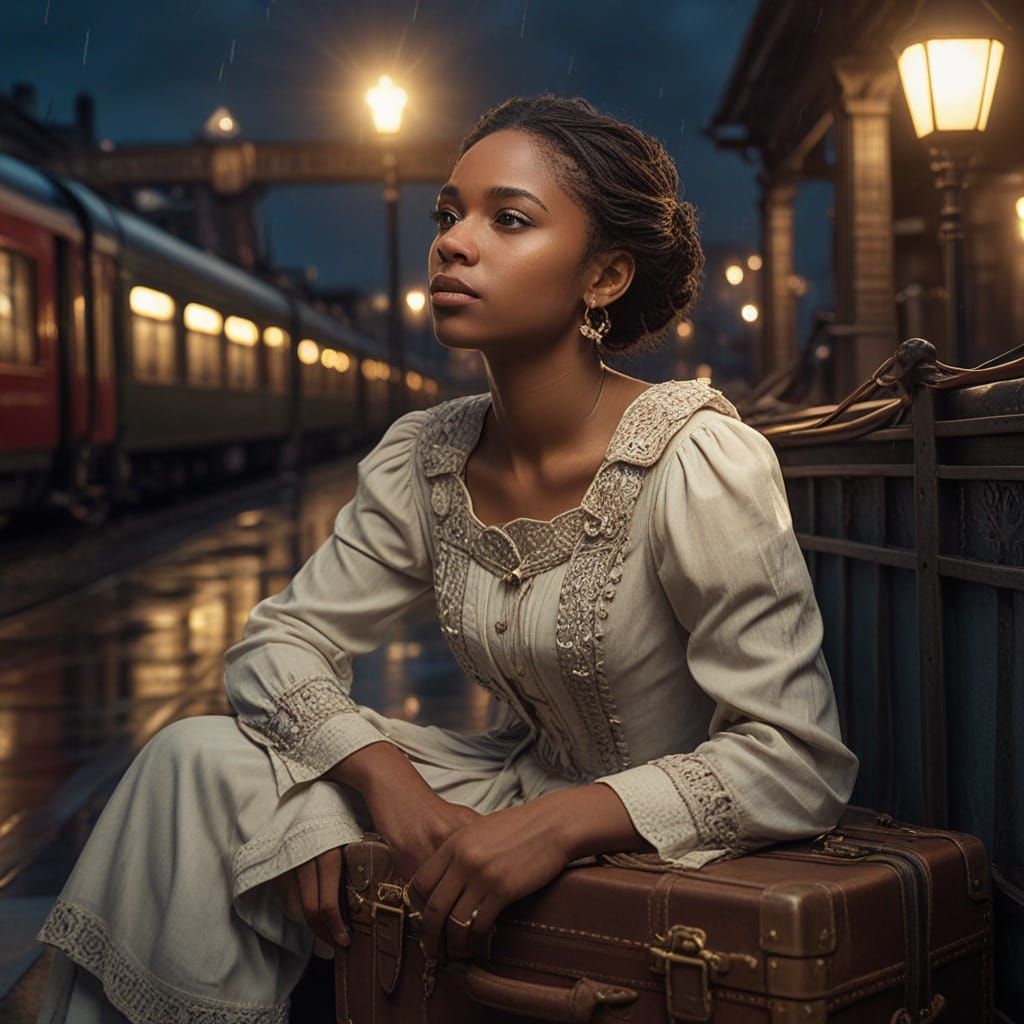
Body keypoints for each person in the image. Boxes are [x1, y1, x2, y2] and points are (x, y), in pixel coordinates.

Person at [33, 93, 858, 1023]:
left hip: (666, 827)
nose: (453, 244)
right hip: (503, 786)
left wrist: (554, 827)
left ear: (604, 276)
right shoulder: (429, 455)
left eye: (509, 220)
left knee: (254, 777)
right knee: (193, 760)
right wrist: (376, 787)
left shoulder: (694, 458)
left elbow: (796, 759)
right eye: (448, 214)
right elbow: (275, 646)